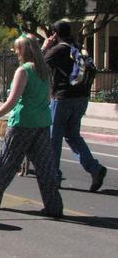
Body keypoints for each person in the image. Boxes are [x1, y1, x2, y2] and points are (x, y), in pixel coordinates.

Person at [0, 34, 63, 217]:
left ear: (25, 50)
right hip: (42, 122)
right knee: (45, 167)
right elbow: (48, 96)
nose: (15, 52)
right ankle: (54, 206)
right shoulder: (45, 70)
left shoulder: (23, 71)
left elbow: (11, 102)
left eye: (18, 48)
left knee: (7, 162)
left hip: (22, 124)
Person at [42, 20, 107, 191]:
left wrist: (44, 46)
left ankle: (54, 176)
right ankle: (95, 169)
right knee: (72, 135)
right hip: (81, 97)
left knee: (53, 139)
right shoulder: (78, 47)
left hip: (62, 99)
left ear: (55, 34)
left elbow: (37, 64)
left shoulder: (58, 49)